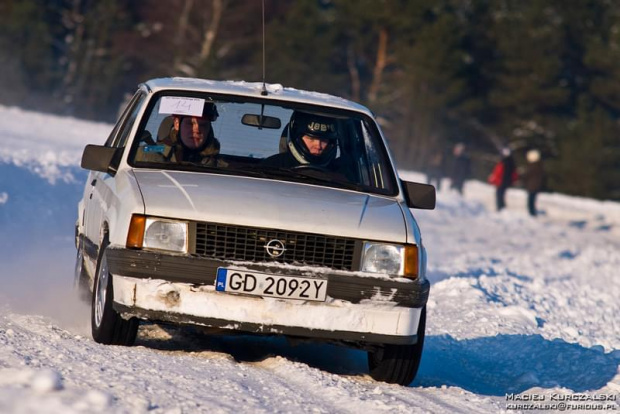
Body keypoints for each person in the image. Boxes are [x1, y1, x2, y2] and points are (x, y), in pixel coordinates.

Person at [262, 111, 340, 170]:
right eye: (311, 139)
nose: (318, 145)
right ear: (297, 138)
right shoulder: (271, 167)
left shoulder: (341, 174)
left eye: (324, 140)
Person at [157, 102, 222, 166]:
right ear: (177, 124)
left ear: (208, 130)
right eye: (190, 123)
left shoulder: (224, 167)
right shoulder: (152, 154)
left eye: (203, 125)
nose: (197, 130)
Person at [488, 147, 517, 211]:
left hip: (501, 182)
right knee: (501, 195)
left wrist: (493, 179)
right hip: (505, 182)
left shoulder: (503, 163)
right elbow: (514, 174)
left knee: (499, 195)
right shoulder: (511, 163)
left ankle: (500, 209)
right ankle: (502, 209)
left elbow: (498, 172)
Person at [523, 149, 545, 217]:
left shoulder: (533, 166)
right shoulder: (539, 165)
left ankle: (531, 213)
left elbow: (528, 175)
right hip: (535, 185)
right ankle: (532, 212)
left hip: (532, 185)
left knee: (530, 201)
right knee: (532, 200)